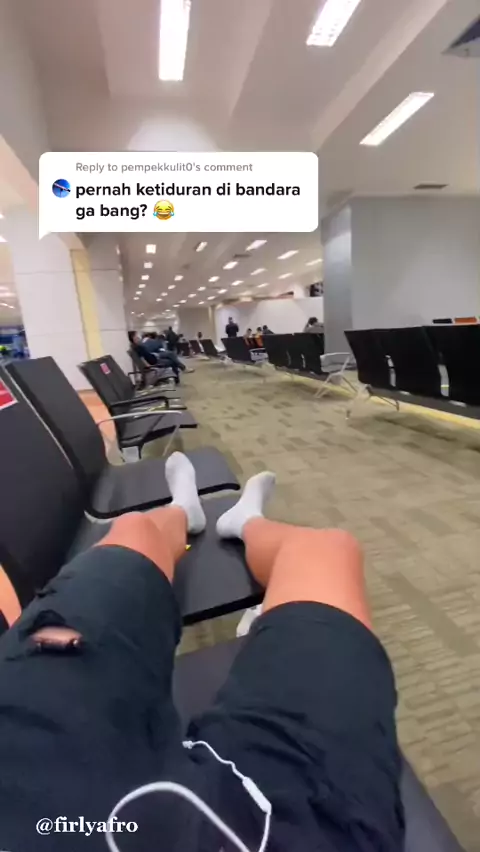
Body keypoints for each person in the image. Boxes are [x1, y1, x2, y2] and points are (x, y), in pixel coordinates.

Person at [0, 452, 403, 852]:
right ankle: (246, 523)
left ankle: (185, 511)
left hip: (26, 758)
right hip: (296, 825)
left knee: (135, 528)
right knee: (328, 550)